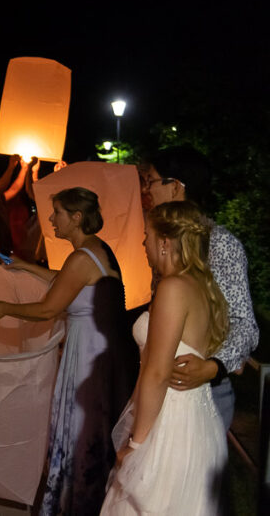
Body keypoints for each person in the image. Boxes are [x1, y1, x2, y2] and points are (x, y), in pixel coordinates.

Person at [0, 187, 134, 516]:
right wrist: (24, 266)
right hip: (99, 349)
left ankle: (77, 504)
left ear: (76, 217)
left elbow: (47, 309)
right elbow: (64, 279)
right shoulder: (94, 249)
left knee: (83, 431)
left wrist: (4, 307)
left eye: (57, 213)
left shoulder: (82, 258)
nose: (51, 219)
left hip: (90, 355)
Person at [100, 201, 229, 515]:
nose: (143, 243)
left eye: (147, 235)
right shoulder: (199, 285)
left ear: (165, 242)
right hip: (197, 420)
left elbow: (157, 373)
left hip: (170, 425)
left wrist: (136, 445)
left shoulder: (174, 287)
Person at [140, 145, 258, 430]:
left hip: (203, 394)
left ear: (175, 186)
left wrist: (213, 366)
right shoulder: (166, 242)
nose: (146, 190)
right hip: (161, 388)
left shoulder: (220, 244)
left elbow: (244, 324)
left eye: (151, 181)